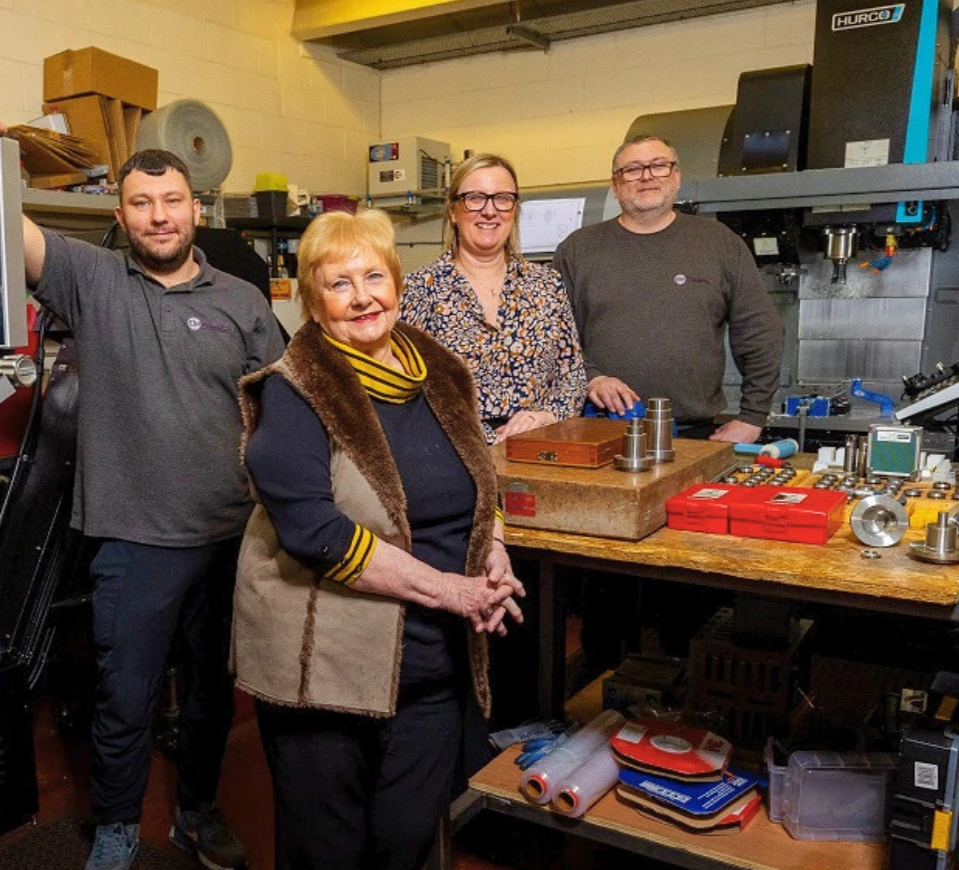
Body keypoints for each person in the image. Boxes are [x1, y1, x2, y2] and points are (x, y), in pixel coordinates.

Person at [0, 101, 283, 870]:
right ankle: (120, 830)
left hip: (231, 535)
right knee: (124, 700)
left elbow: (282, 408)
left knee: (209, 695)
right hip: (134, 540)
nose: (159, 218)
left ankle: (195, 812)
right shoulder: (92, 281)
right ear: (122, 213)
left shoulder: (243, 302)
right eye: (141, 204)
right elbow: (10, 228)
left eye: (172, 202)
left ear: (196, 208)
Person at [236, 209, 525, 870]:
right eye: (340, 284)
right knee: (329, 851)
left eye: (374, 275)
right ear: (313, 301)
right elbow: (315, 533)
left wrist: (493, 551)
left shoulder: (441, 372)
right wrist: (451, 589)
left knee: (409, 838)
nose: (363, 296)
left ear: (397, 282)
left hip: (433, 670)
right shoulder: (294, 393)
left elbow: (479, 479)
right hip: (328, 673)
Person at [554, 134, 784, 442]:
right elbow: (553, 337)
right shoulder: (577, 250)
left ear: (676, 177)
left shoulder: (718, 242)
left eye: (658, 166)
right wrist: (591, 378)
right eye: (632, 169)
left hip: (693, 434)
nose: (647, 176)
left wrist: (753, 417)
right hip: (598, 432)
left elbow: (759, 331)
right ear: (615, 184)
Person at [401, 154, 586, 442]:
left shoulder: (547, 285)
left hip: (539, 452)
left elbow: (572, 377)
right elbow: (406, 391)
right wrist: (485, 438)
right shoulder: (418, 290)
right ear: (453, 211)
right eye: (475, 198)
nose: (490, 211)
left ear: (514, 209)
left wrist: (546, 416)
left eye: (502, 198)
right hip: (455, 456)